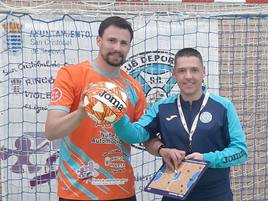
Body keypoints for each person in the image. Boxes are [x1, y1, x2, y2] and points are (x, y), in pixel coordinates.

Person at [113, 48, 248, 201]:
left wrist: (206, 159)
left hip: (215, 194)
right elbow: (134, 135)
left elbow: (241, 152)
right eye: (182, 70)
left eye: (194, 70)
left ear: (203, 72)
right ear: (174, 73)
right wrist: (116, 117)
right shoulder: (161, 107)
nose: (188, 76)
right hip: (173, 193)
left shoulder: (223, 106)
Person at [45, 16, 146, 201]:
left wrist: (163, 149)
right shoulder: (71, 75)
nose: (117, 47)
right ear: (98, 40)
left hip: (121, 189)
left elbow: (144, 134)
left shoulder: (134, 87)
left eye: (124, 43)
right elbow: (51, 131)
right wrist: (82, 112)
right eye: (111, 40)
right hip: (77, 190)